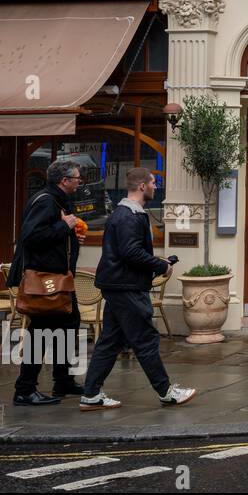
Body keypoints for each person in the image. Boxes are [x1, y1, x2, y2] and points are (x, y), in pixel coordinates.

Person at [80, 167, 196, 411]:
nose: (156, 186)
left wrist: (158, 263)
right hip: (126, 287)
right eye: (154, 183)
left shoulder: (127, 214)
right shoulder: (128, 216)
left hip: (120, 285)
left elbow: (128, 251)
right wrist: (160, 265)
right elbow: (130, 252)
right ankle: (166, 392)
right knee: (146, 339)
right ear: (142, 186)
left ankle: (91, 394)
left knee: (110, 341)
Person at [10, 160, 87, 406]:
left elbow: (50, 234)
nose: (79, 182)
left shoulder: (56, 200)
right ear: (64, 180)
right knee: (41, 332)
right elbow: (31, 237)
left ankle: (62, 380)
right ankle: (24, 389)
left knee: (69, 324)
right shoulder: (45, 201)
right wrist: (64, 226)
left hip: (58, 278)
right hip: (46, 281)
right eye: (77, 178)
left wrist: (70, 236)